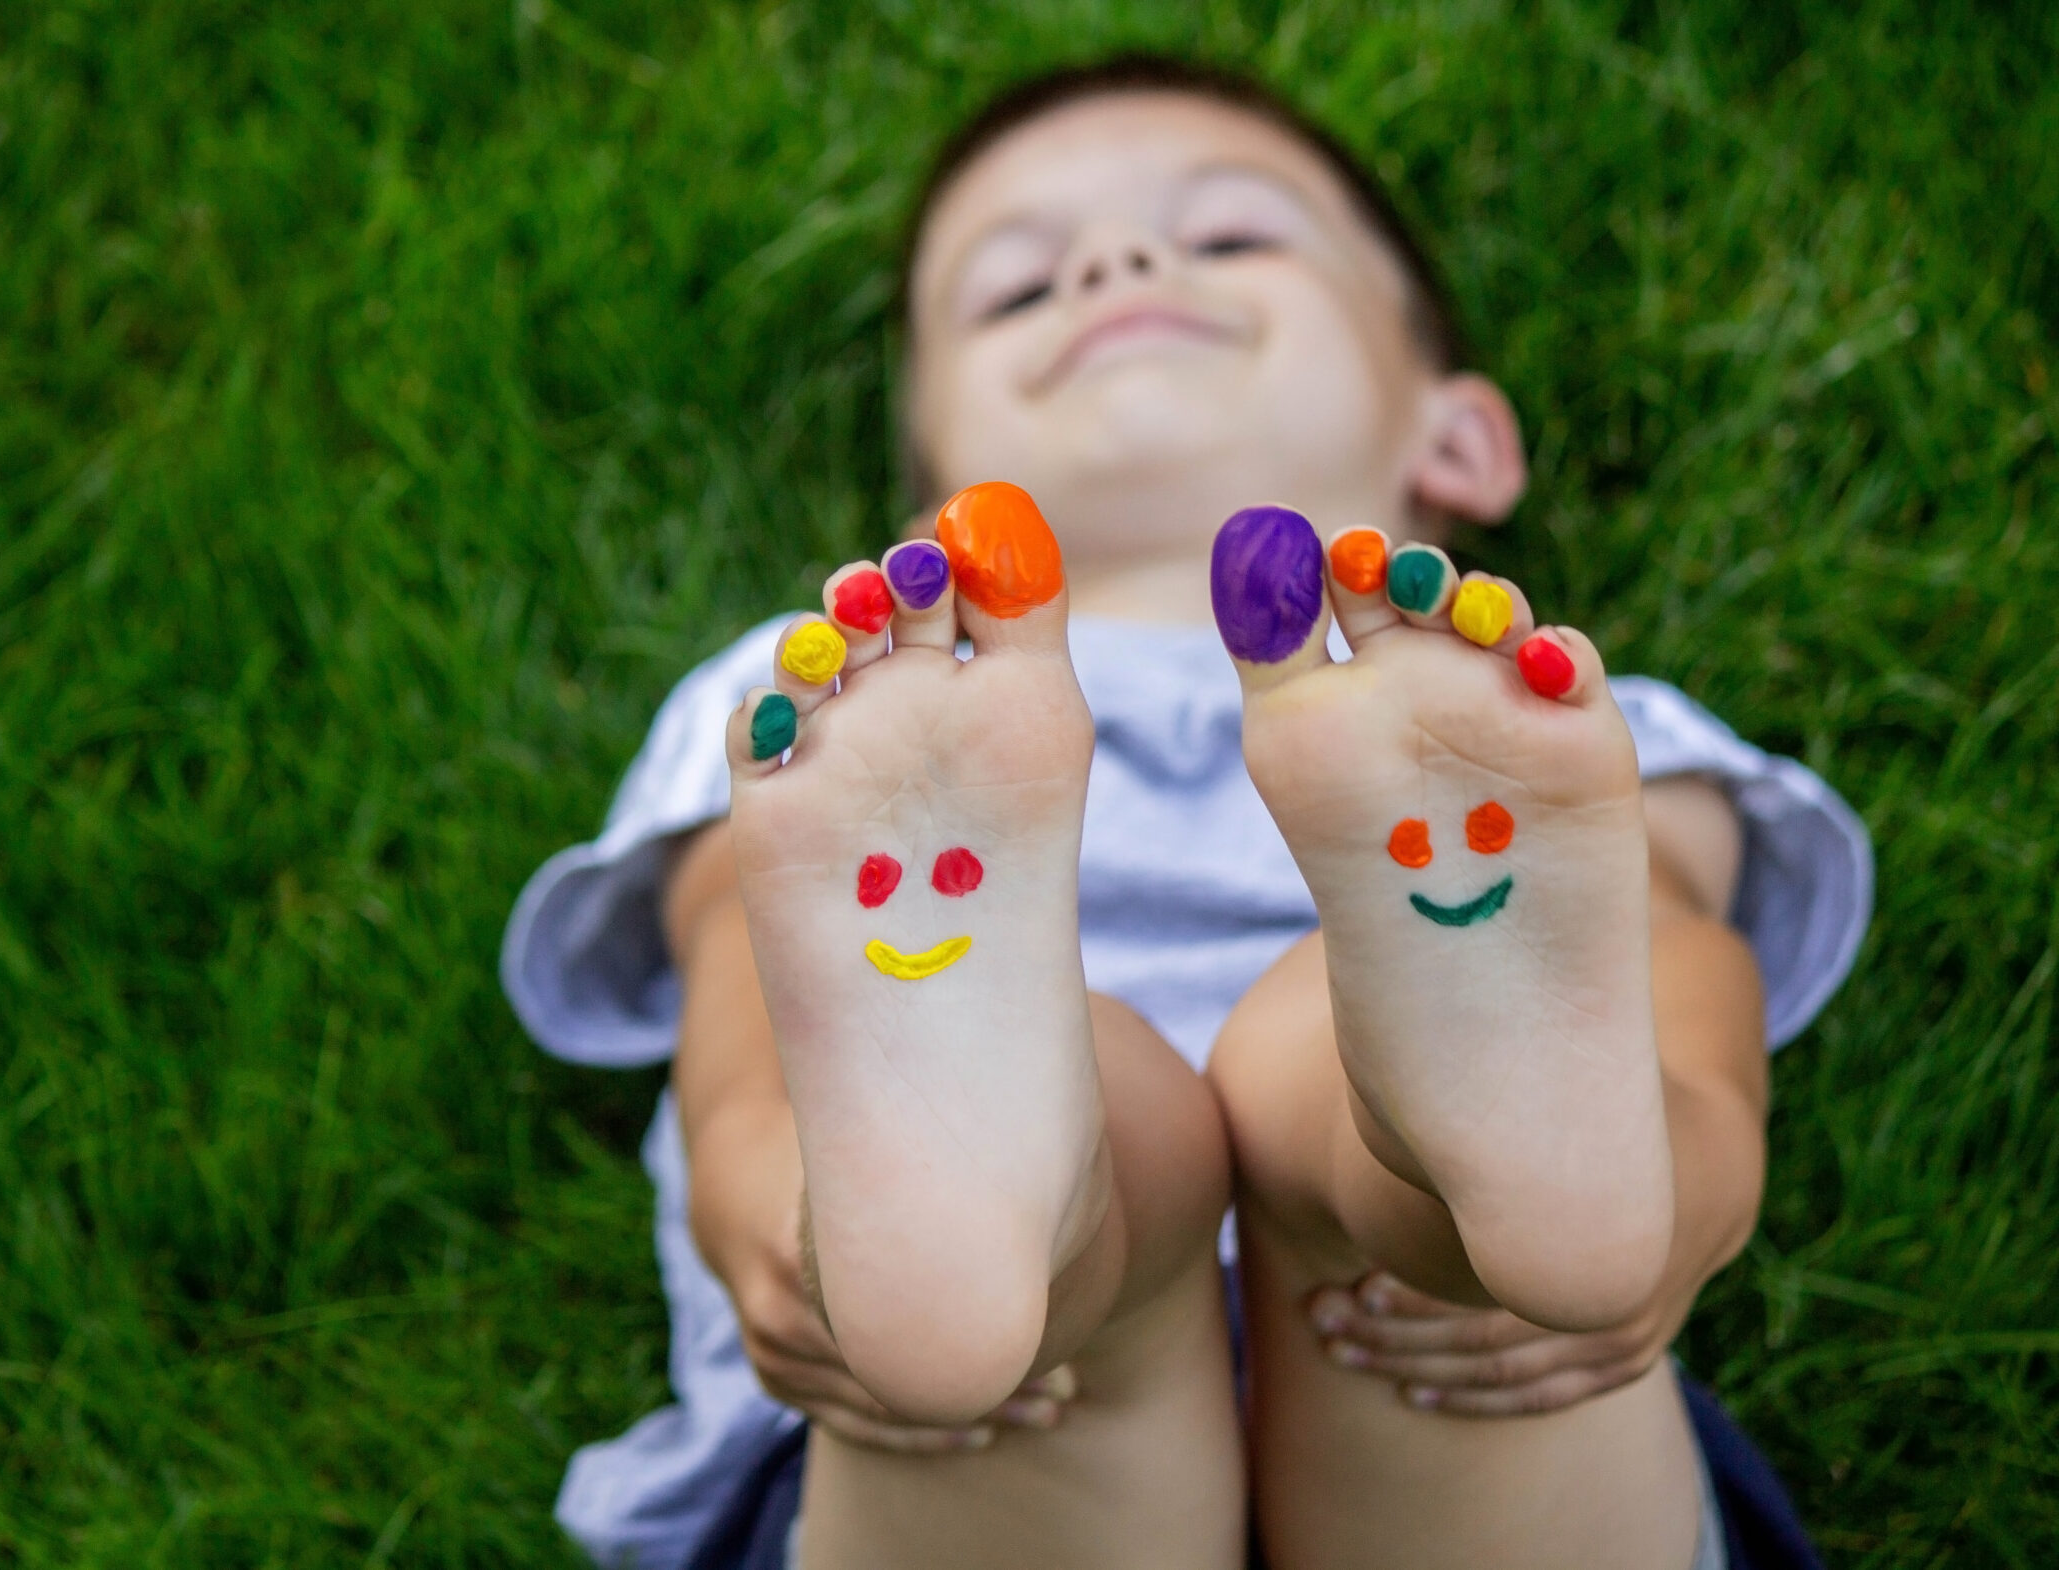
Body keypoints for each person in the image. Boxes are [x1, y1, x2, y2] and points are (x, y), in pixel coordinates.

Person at [503, 54, 1869, 1570]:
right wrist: (790, 1232)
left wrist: (1676, 1194)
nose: (1113, 264)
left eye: (1227, 237)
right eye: (1019, 288)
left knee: (1324, 1084)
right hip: (954, 1411)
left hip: (1446, 1356)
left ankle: (1470, 1185)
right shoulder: (837, 716)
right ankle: (1003, 1217)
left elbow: (1670, 959)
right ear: (923, 514)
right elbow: (752, 1010)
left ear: (1459, 434)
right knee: (1100, 1122)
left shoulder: (1530, 721)